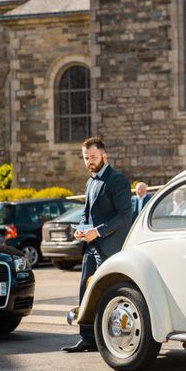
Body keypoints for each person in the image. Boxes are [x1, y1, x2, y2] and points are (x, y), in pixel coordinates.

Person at [62, 136, 132, 353]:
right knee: (85, 290)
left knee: (107, 293)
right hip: (90, 247)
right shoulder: (90, 181)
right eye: (85, 158)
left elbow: (125, 216)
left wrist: (98, 231)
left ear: (104, 155)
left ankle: (110, 338)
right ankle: (87, 338)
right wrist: (80, 228)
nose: (89, 161)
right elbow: (86, 213)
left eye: (92, 157)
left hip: (110, 248)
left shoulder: (117, 180)